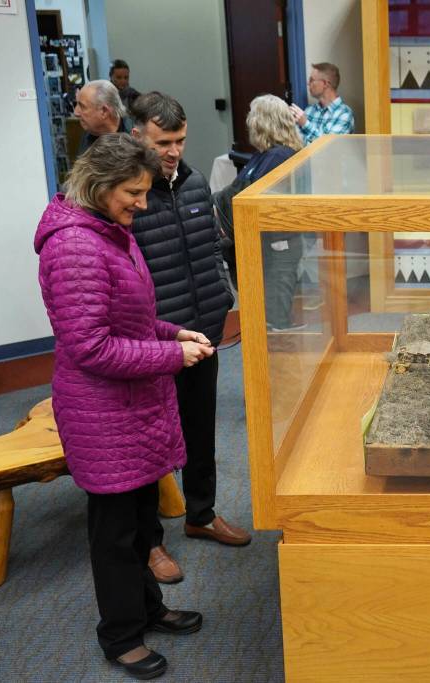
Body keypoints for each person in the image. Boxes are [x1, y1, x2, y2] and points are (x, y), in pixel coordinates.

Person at [33, 133, 212, 680]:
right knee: (113, 531)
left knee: (139, 520)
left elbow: (127, 320)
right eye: (133, 192)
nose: (142, 202)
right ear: (98, 186)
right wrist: (170, 354)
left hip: (133, 403)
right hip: (102, 412)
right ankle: (119, 636)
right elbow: (90, 346)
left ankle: (148, 610)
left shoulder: (110, 231)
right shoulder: (73, 246)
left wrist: (170, 330)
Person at [129, 92, 249, 585]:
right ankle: (150, 543)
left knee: (202, 434)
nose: (172, 150)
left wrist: (222, 302)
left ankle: (201, 515)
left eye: (179, 140)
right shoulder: (128, 195)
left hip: (202, 334)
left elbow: (211, 252)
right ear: (137, 135)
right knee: (150, 447)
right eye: (162, 141)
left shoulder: (197, 183)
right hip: (154, 346)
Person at [241, 94, 306, 330]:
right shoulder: (265, 155)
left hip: (280, 241)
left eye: (252, 115)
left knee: (278, 321)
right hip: (273, 241)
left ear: (262, 121)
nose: (248, 120)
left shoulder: (278, 156)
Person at [289, 62, 354, 145]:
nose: (308, 83)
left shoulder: (344, 114)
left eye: (311, 80)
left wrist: (306, 124)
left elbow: (329, 147)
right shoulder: (309, 110)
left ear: (325, 84)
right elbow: (295, 142)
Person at [74, 80, 130, 155]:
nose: (76, 113)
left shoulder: (135, 137)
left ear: (104, 111)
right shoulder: (90, 131)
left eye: (82, 107)